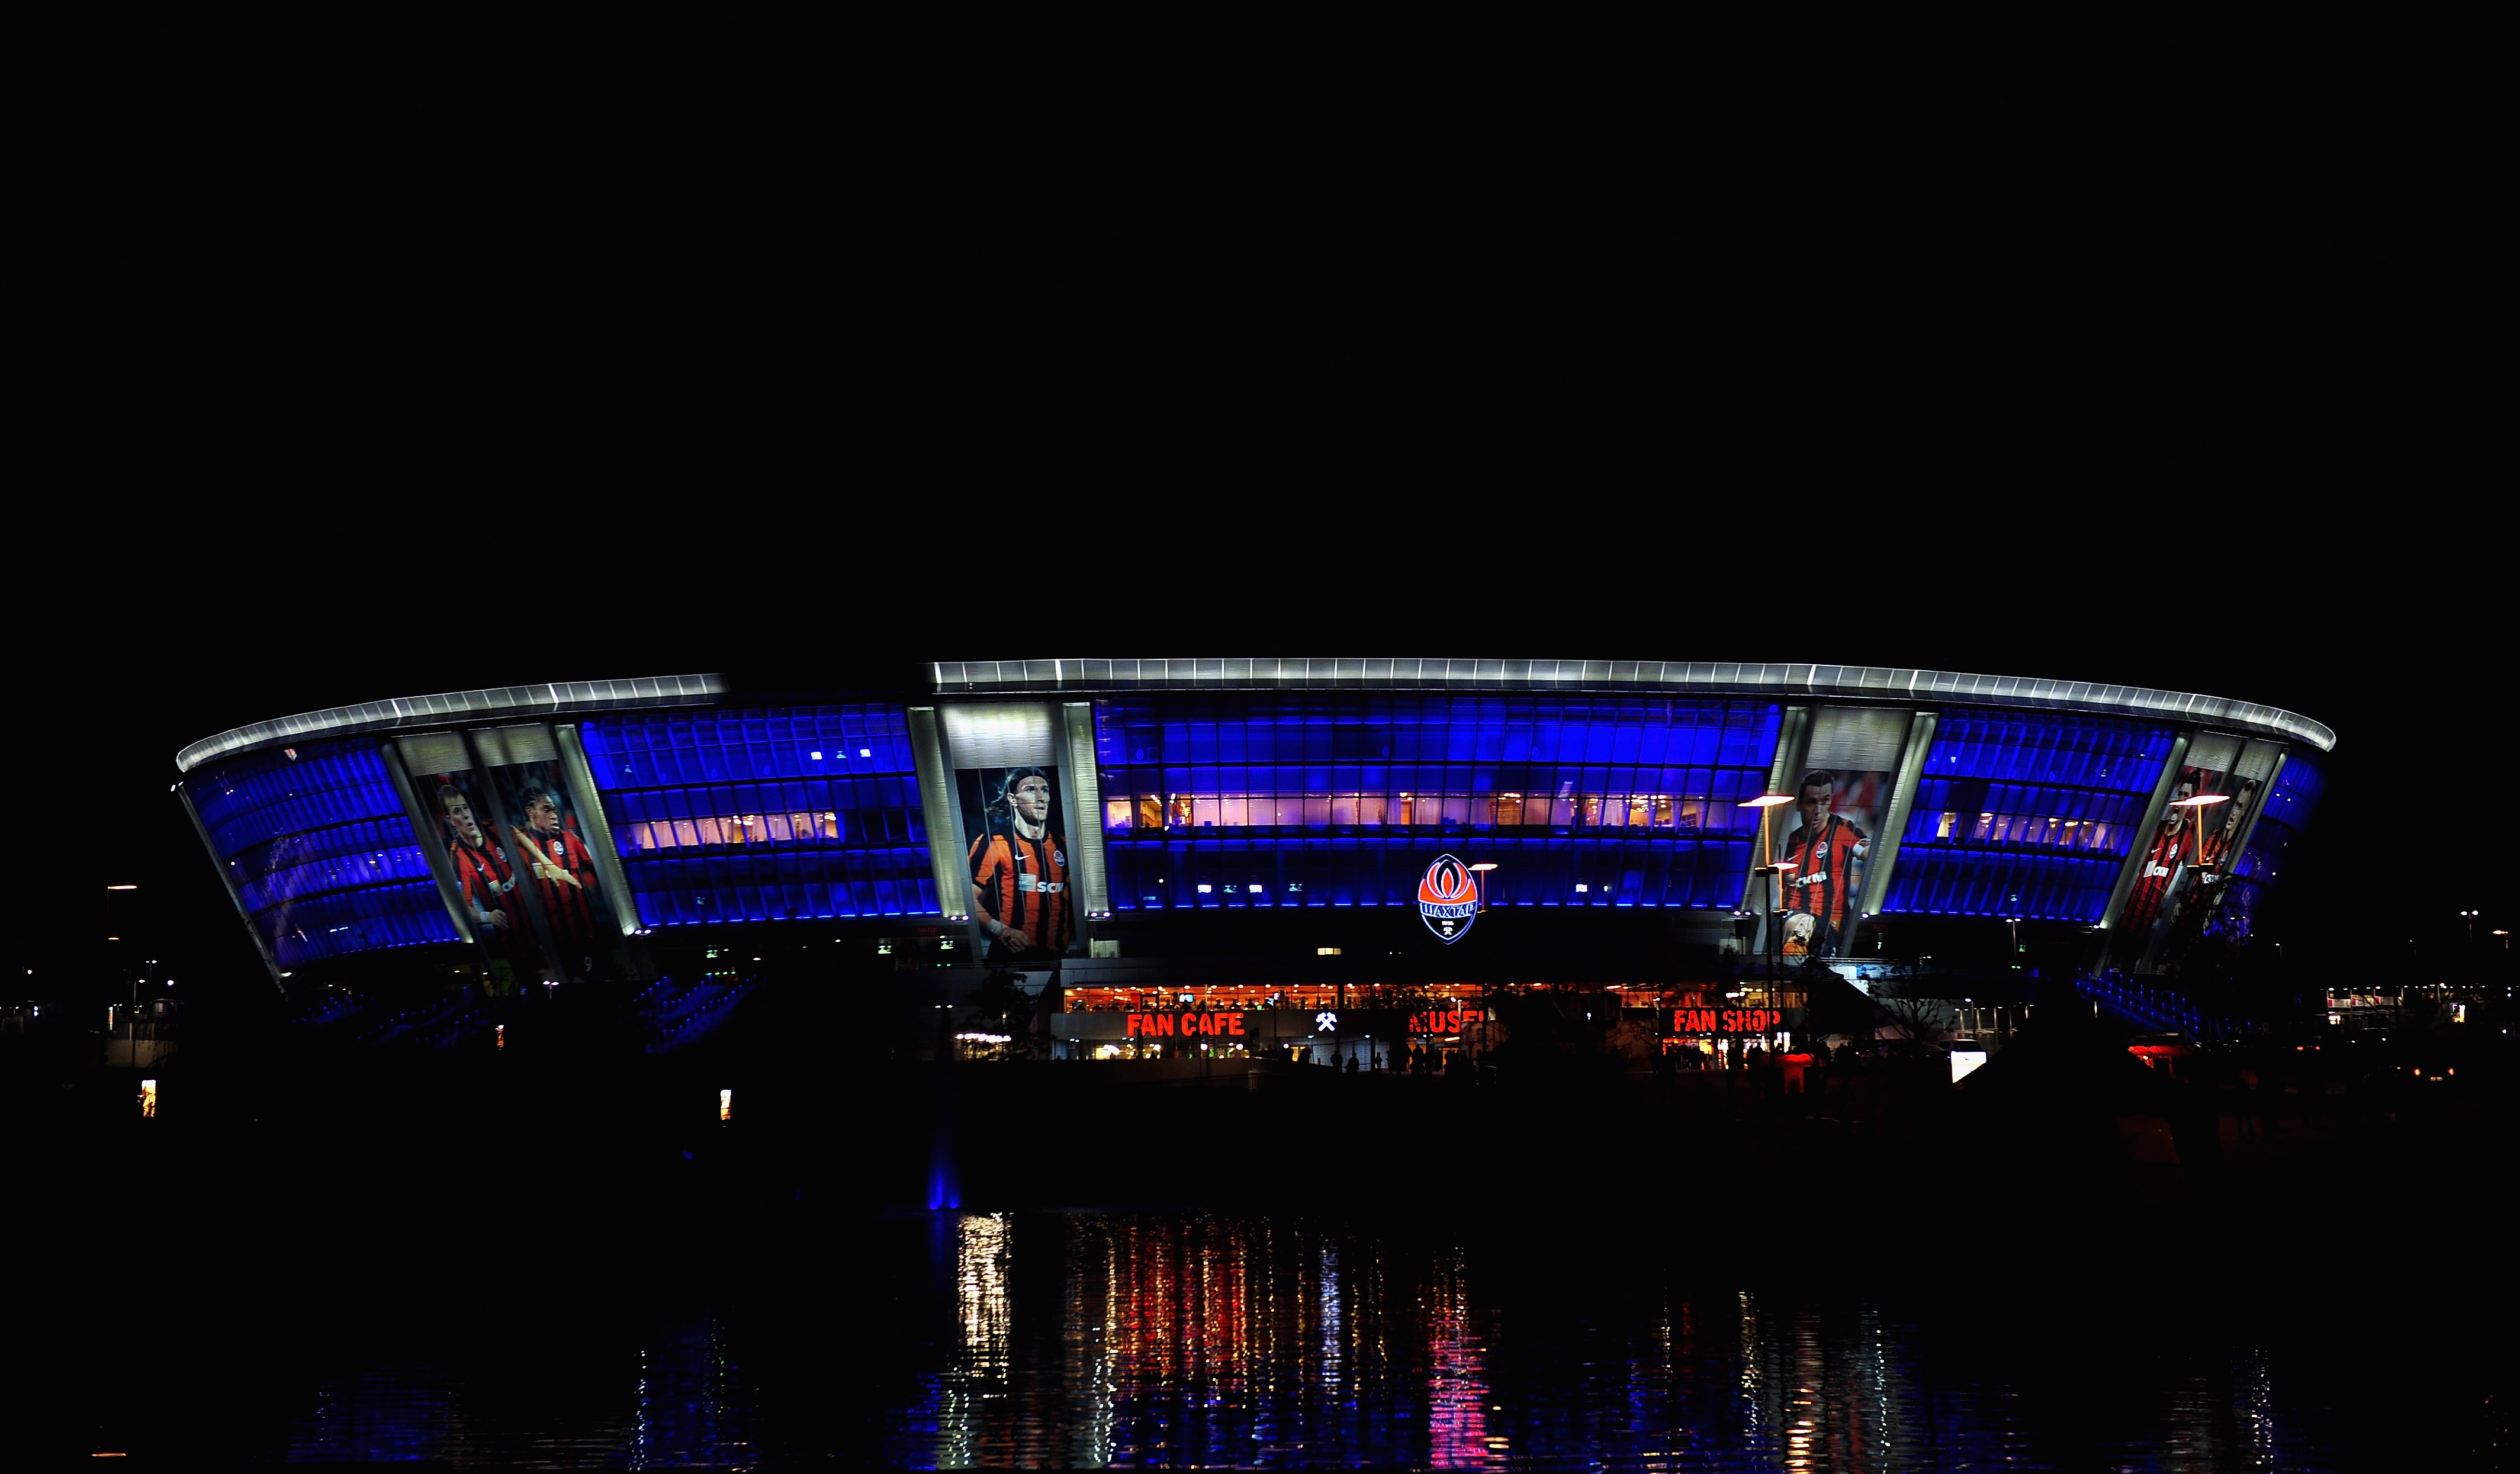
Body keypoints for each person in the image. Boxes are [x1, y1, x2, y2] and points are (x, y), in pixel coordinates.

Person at [968, 767, 1071, 963]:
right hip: (1011, 954)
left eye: (1045, 790)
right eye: (1031, 790)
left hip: (1057, 955)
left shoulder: (1064, 845)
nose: (1041, 797)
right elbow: (967, 898)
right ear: (1013, 799)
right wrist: (1000, 930)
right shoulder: (995, 843)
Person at [513, 785, 606, 975]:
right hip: (549, 940)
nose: (554, 814)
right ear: (531, 812)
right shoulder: (518, 846)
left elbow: (602, 871)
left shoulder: (571, 839)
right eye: (547, 809)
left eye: (554, 809)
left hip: (585, 935)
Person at [1777, 770, 1869, 958]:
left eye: (1825, 800)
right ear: (1799, 805)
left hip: (1833, 924)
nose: (1819, 810)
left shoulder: (1844, 830)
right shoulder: (1789, 844)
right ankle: (1789, 967)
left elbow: (1872, 854)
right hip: (1797, 917)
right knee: (1803, 924)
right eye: (1812, 802)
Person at [439, 786, 519, 945]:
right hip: (513, 939)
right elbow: (463, 909)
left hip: (541, 923)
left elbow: (528, 846)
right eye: (457, 812)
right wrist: (487, 916)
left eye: (466, 808)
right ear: (450, 820)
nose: (466, 815)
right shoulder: (459, 857)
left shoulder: (494, 830)